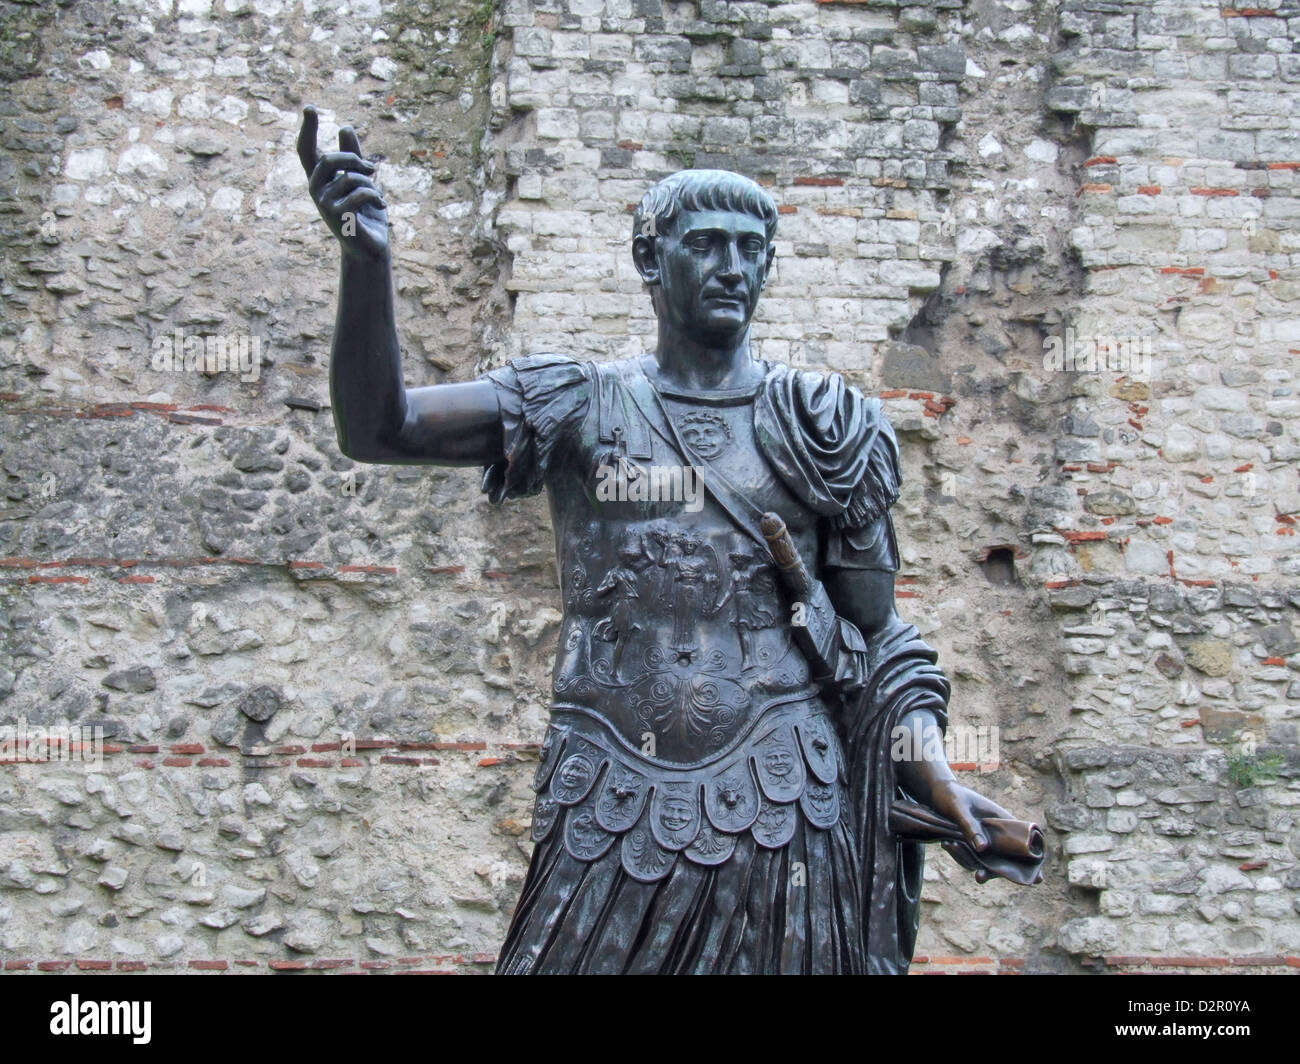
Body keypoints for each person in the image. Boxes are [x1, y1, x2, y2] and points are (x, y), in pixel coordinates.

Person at [298, 107, 1031, 974]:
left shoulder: (825, 425)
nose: (733, 267)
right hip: (608, 790)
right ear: (650, 259)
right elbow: (383, 427)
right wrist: (366, 258)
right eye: (706, 245)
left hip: (785, 795)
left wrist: (933, 775)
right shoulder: (577, 402)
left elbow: (875, 645)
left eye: (751, 249)